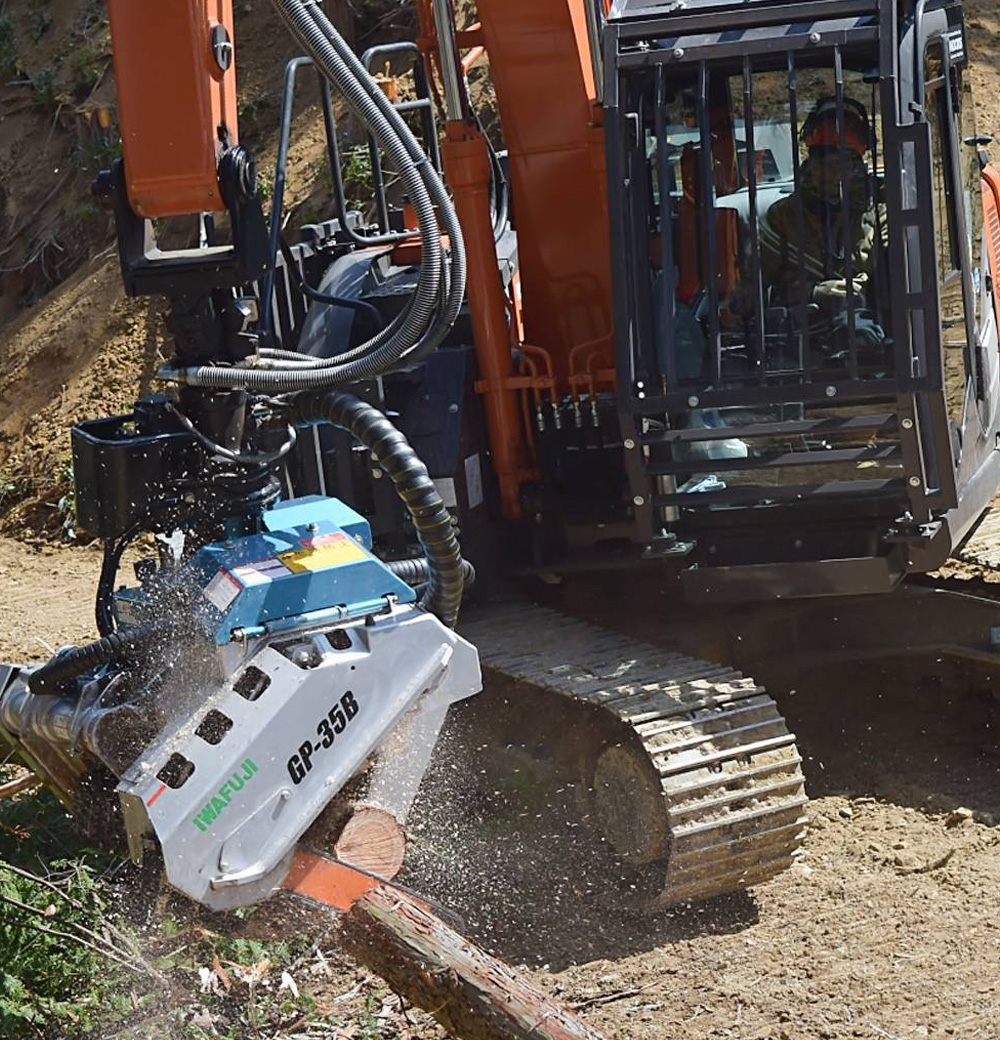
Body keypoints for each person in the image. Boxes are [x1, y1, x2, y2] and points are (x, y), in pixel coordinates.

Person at [760, 95, 888, 356]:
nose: (831, 172)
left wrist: (861, 295)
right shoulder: (783, 216)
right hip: (800, 340)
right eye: (822, 161)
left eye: (842, 162)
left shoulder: (883, 209)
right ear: (810, 161)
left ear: (857, 163)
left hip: (872, 336)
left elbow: (904, 274)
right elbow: (760, 289)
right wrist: (813, 293)